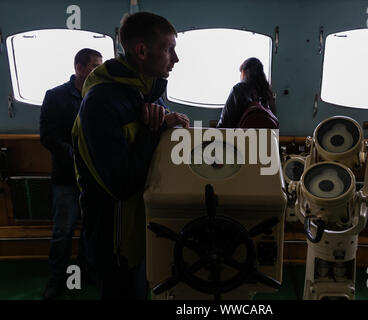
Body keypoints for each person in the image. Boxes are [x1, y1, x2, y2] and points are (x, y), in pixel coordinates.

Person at [71, 12, 189, 299]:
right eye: (168, 48)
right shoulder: (102, 103)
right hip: (114, 238)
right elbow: (120, 184)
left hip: (139, 226)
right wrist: (152, 131)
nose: (175, 59)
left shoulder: (145, 91)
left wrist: (165, 123)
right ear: (141, 50)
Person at [40, 48, 103, 300]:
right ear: (79, 68)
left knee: (90, 229)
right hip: (67, 177)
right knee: (63, 232)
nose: (100, 71)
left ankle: (84, 271)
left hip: (94, 178)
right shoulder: (55, 96)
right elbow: (47, 135)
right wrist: (74, 155)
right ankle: (56, 280)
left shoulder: (100, 95)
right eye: (95, 66)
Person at [217, 57, 276, 128]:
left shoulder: (239, 89)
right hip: (265, 138)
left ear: (244, 72)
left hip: (241, 138)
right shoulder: (269, 95)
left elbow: (224, 124)